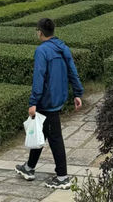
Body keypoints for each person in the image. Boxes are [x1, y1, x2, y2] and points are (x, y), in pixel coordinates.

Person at [15, 18, 84, 190]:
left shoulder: (42, 51)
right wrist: (77, 93)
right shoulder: (63, 47)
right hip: (59, 98)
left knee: (55, 138)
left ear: (40, 31)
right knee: (42, 131)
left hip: (47, 101)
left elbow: (39, 78)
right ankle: (29, 168)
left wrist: (33, 102)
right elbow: (72, 72)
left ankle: (62, 177)